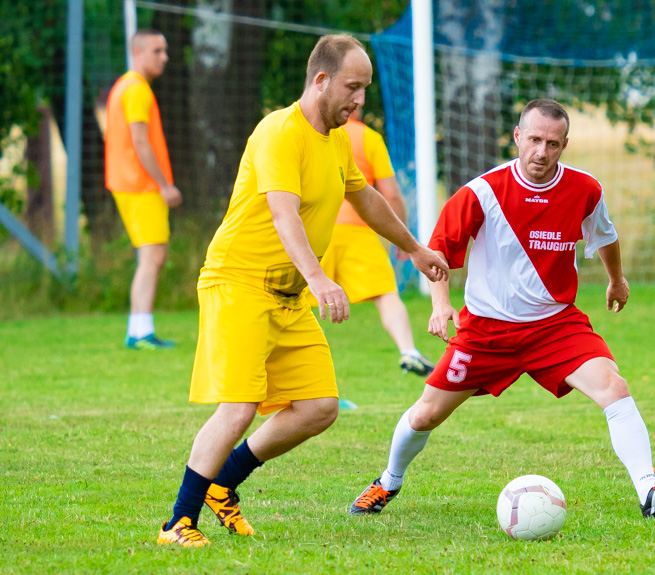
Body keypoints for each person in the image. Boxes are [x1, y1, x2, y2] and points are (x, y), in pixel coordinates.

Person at [156, 34, 448, 547]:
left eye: (365, 90)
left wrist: (415, 248)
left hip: (286, 296)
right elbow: (282, 212)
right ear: (321, 80)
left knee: (318, 406)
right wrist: (319, 278)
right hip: (240, 282)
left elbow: (366, 197)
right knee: (238, 408)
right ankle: (178, 522)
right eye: (353, 88)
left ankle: (224, 484)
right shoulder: (279, 132)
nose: (360, 101)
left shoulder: (337, 138)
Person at [349, 99, 655, 519]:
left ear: (564, 144)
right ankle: (388, 482)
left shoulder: (585, 189)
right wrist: (441, 306)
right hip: (486, 332)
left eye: (552, 143)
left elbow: (604, 235)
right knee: (425, 415)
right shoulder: (482, 192)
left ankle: (649, 493)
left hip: (555, 326)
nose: (541, 152)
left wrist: (616, 279)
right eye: (534, 139)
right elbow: (437, 253)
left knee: (614, 387)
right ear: (517, 136)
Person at [306, 106, 435, 376]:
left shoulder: (308, 131)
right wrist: (401, 238)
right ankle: (408, 350)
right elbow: (392, 195)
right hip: (357, 230)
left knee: (297, 301)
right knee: (386, 295)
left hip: (315, 229)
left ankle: (293, 365)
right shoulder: (369, 138)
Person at [105, 29, 182, 350]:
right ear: (137, 53)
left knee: (151, 256)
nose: (164, 57)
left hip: (129, 182)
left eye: (165, 51)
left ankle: (139, 329)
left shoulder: (125, 86)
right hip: (140, 184)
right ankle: (140, 332)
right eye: (157, 51)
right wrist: (164, 184)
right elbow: (140, 141)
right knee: (153, 255)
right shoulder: (137, 90)